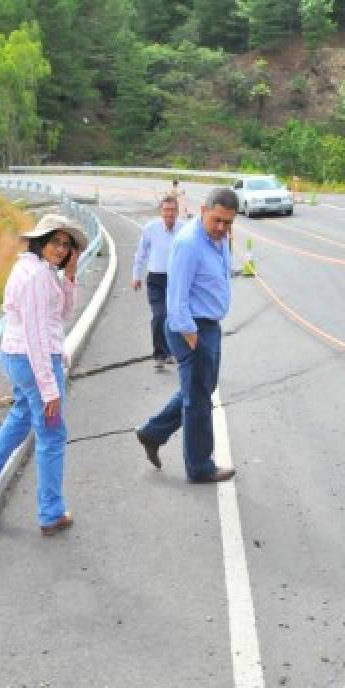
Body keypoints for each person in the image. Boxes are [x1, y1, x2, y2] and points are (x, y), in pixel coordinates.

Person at [0, 214, 86, 535]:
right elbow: (37, 334)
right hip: (34, 360)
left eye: (67, 245)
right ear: (41, 241)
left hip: (18, 357)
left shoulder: (37, 270)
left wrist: (71, 276)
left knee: (22, 415)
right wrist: (49, 387)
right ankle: (51, 513)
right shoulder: (37, 276)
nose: (61, 250)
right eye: (56, 242)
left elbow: (61, 314)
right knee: (51, 434)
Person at [135, 187, 239, 483]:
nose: (222, 228)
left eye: (228, 223)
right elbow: (175, 296)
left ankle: (152, 432)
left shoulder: (218, 240)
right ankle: (199, 466)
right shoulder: (189, 243)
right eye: (217, 220)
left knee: (199, 391)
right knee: (199, 401)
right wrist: (190, 334)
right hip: (192, 328)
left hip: (208, 326)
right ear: (204, 211)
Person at [132, 195, 185, 371]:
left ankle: (173, 351)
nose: (169, 213)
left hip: (176, 279)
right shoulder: (150, 229)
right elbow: (141, 253)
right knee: (159, 315)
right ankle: (160, 354)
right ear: (161, 211)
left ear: (177, 211)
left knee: (174, 316)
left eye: (172, 210)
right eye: (166, 209)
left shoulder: (184, 229)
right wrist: (136, 275)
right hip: (155, 278)